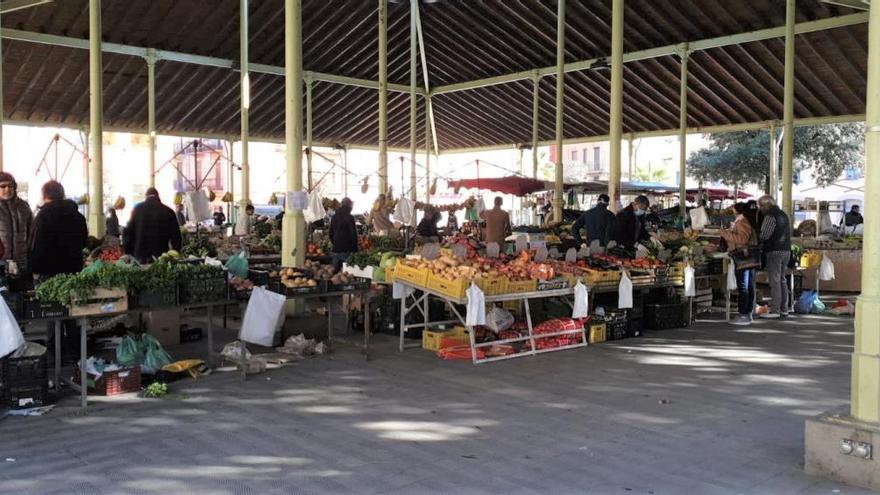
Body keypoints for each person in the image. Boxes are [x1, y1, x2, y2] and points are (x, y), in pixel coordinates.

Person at [30, 181, 88, 280]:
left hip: (48, 272)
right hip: (73, 270)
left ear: (44, 196)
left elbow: (36, 246)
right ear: (62, 194)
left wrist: (33, 268)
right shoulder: (78, 216)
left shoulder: (43, 216)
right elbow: (84, 242)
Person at [720, 203, 759, 326]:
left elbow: (742, 239)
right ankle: (748, 313)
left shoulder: (742, 221)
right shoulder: (743, 220)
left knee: (744, 286)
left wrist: (724, 233)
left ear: (737, 210)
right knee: (748, 286)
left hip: (743, 257)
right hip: (748, 257)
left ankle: (743, 314)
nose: (731, 209)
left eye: (733, 208)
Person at [124, 187, 183, 262]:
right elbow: (176, 236)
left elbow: (128, 232)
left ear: (146, 196)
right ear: (158, 196)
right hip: (161, 257)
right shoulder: (168, 211)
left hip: (140, 258)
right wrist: (176, 252)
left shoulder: (137, 210)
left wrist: (129, 252)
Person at [757, 195, 791, 319]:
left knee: (775, 281)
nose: (760, 208)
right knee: (782, 279)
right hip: (786, 250)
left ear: (767, 205)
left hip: (774, 251)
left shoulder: (770, 216)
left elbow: (765, 234)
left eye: (761, 206)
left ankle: (775, 310)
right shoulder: (783, 214)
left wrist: (757, 239)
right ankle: (784, 309)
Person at [0, 172, 33, 272]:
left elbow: (32, 232)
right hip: (1, 263)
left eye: (10, 186)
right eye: (3, 186)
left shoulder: (24, 206)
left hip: (22, 263)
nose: (7, 189)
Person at [329, 198, 357, 272]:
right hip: (347, 250)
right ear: (349, 205)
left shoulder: (334, 217)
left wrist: (335, 243)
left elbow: (330, 233)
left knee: (334, 275)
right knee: (347, 274)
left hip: (335, 250)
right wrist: (355, 250)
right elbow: (353, 235)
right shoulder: (350, 218)